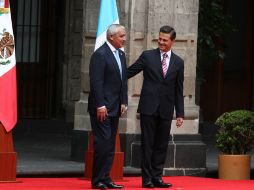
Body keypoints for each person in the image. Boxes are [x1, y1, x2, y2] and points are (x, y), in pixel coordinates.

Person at [127, 25, 184, 188]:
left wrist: (180, 113)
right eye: (159, 39)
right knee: (148, 144)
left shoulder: (179, 62)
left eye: (165, 40)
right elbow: (129, 72)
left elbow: (178, 90)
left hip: (166, 109)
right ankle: (146, 180)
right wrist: (111, 76)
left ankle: (157, 177)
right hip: (148, 108)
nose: (161, 42)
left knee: (161, 145)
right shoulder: (147, 56)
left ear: (172, 41)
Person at [88, 24, 127, 189]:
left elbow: (122, 80)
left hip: (115, 107)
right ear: (111, 37)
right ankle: (97, 180)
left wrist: (124, 101)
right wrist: (100, 104)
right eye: (121, 36)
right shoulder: (100, 55)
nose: (124, 39)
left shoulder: (121, 54)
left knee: (110, 145)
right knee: (102, 144)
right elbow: (96, 82)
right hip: (102, 108)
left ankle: (106, 178)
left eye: (124, 35)